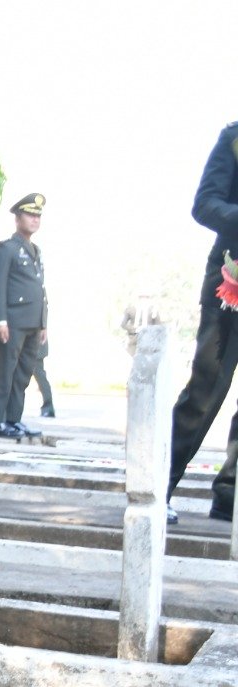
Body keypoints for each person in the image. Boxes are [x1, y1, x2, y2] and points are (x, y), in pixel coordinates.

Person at [166, 122, 238, 526]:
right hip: (232, 280)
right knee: (206, 392)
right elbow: (206, 204)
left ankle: (229, 500)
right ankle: (158, 488)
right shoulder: (234, 138)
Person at [0, 193, 48, 438]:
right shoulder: (6, 249)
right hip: (12, 320)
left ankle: (13, 418)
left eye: (38, 216)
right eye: (30, 215)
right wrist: (0, 319)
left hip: (33, 322)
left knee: (23, 372)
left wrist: (44, 322)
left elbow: (40, 289)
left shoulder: (35, 251)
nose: (34, 220)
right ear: (17, 218)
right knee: (5, 369)